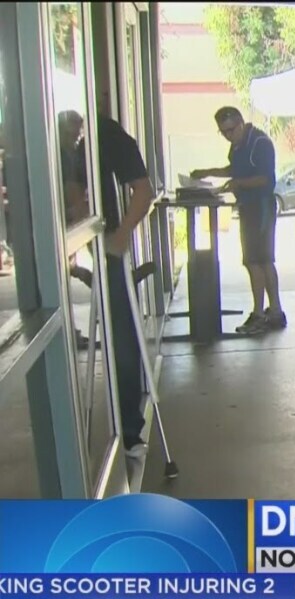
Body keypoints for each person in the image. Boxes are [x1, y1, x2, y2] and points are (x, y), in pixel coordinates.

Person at [77, 113, 156, 457]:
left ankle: (129, 430)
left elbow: (143, 191)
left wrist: (121, 235)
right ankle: (125, 427)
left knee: (122, 335)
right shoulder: (72, 141)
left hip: (110, 246)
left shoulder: (107, 135)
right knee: (117, 332)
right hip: (94, 243)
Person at [191, 106, 286, 335]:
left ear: (241, 123)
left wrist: (239, 184)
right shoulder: (237, 145)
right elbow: (235, 169)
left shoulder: (260, 143)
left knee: (258, 261)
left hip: (260, 206)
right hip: (247, 206)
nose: (228, 136)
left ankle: (261, 314)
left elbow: (265, 178)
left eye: (231, 130)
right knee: (259, 260)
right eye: (223, 132)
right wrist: (209, 172)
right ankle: (274, 311)